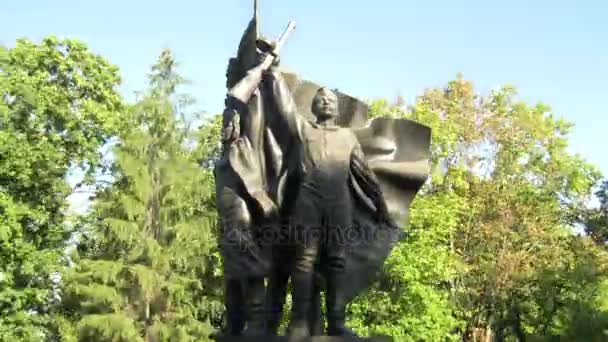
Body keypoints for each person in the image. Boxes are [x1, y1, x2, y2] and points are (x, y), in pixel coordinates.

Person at [262, 65, 388, 337]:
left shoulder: (347, 137)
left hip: (338, 205)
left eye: (331, 99)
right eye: (321, 98)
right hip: (305, 203)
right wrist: (272, 71)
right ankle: (298, 323)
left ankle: (337, 322)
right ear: (314, 106)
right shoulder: (303, 129)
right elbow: (284, 107)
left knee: (336, 262)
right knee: (303, 260)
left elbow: (364, 174)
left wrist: (381, 204)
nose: (327, 101)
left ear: (337, 108)